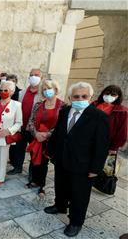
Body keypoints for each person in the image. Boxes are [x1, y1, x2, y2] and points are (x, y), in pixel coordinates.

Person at [44, 82, 109, 237]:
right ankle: (59, 206)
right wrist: (50, 151)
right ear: (70, 97)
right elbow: (58, 132)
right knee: (60, 186)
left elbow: (102, 145)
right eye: (76, 96)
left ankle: (76, 222)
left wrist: (96, 169)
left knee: (79, 195)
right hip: (61, 159)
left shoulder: (99, 117)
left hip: (83, 165)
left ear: (90, 97)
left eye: (84, 96)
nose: (80, 99)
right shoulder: (65, 111)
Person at [26, 79, 65, 196]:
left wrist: (47, 134)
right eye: (44, 89)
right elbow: (30, 121)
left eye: (49, 88)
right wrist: (36, 134)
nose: (47, 91)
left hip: (52, 140)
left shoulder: (63, 106)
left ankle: (41, 185)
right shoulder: (38, 105)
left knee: (45, 163)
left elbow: (61, 125)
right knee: (34, 160)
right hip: (37, 138)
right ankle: (33, 180)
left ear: (55, 89)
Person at [8, 68, 42, 175]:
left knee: (33, 151)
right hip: (22, 126)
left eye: (36, 75)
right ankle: (17, 167)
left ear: (41, 78)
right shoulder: (22, 92)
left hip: (34, 129)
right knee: (19, 149)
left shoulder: (43, 94)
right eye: (31, 75)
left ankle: (32, 173)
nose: (33, 77)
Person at [92, 85, 127, 155]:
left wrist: (114, 147)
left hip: (105, 144)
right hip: (87, 139)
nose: (109, 96)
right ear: (103, 94)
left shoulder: (122, 111)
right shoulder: (94, 105)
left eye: (113, 95)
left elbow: (122, 131)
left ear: (118, 96)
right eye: (107, 93)